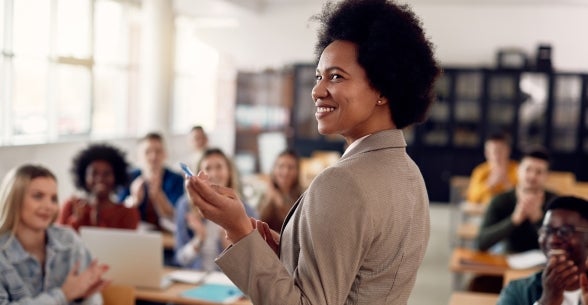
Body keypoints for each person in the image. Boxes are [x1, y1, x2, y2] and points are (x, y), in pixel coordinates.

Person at [185, 0, 441, 304]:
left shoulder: (343, 182)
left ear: (384, 89)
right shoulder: (410, 174)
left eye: (336, 77)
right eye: (319, 76)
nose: (317, 90)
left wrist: (238, 230)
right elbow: (361, 275)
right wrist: (281, 246)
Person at [0, 164, 108, 304]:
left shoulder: (69, 240)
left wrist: (83, 296)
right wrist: (63, 295)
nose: (49, 206)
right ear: (15, 199)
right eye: (38, 196)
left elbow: (91, 297)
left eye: (53, 199)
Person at [174, 148, 257, 271]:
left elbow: (253, 265)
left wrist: (228, 243)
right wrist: (199, 238)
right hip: (195, 279)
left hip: (228, 282)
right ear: (198, 175)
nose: (213, 174)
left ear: (229, 172)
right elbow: (180, 260)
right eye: (207, 168)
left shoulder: (246, 210)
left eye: (219, 167)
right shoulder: (185, 206)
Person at [497, 196, 588, 305]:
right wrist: (547, 300)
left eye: (565, 231)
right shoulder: (518, 290)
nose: (553, 239)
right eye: (547, 230)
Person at [476, 148, 555, 254]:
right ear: (518, 170)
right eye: (528, 169)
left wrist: (538, 219)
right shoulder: (500, 200)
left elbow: (562, 245)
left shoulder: (556, 203)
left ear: (547, 176)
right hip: (507, 260)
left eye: (539, 172)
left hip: (544, 261)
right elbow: (481, 242)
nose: (532, 176)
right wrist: (514, 220)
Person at [59, 143, 140, 231]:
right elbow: (59, 241)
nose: (100, 179)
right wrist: (76, 219)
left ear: (116, 177)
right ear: (84, 177)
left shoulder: (127, 213)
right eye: (94, 173)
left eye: (107, 174)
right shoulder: (71, 206)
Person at [118, 132, 184, 232]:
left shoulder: (176, 179)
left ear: (165, 154)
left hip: (168, 237)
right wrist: (134, 199)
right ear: (139, 156)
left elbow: (177, 215)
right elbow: (119, 213)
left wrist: (158, 195)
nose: (153, 157)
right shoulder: (128, 178)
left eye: (158, 151)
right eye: (147, 152)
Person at [257, 149, 303, 232]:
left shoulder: (302, 198)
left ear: (297, 171)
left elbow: (296, 228)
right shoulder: (263, 195)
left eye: (291, 167)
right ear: (274, 169)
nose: (285, 172)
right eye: (281, 166)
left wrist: (279, 202)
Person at [466, 132, 518, 205]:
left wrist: (507, 183)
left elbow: (522, 197)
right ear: (487, 153)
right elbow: (472, 198)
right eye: (493, 151)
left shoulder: (518, 170)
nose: (497, 155)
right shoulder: (480, 171)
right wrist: (489, 184)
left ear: (508, 151)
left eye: (500, 151)